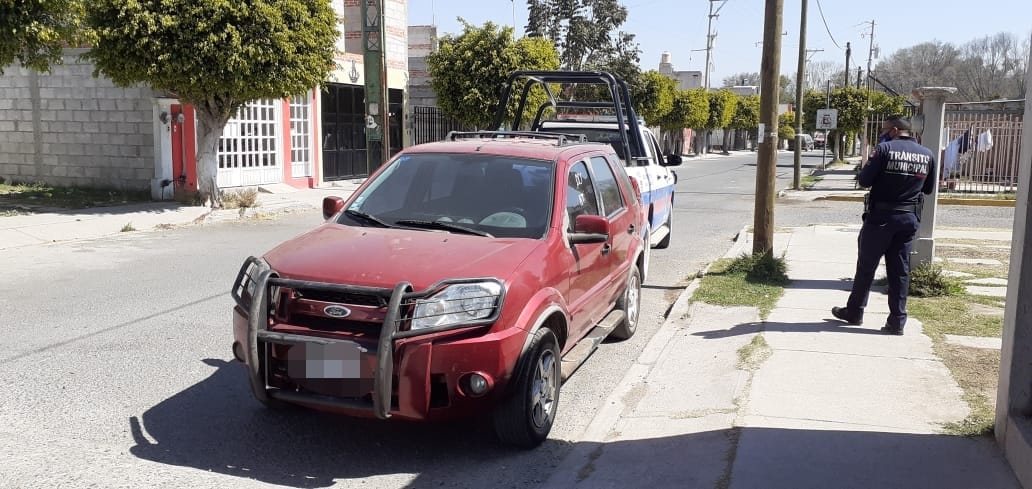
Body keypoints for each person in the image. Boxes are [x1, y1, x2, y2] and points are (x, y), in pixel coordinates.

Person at [831, 116, 936, 335]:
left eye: (885, 129)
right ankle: (897, 321)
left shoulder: (884, 149)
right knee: (900, 271)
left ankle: (855, 312)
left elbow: (864, 180)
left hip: (881, 217)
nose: (882, 133)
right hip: (908, 219)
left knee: (866, 267)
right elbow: (927, 189)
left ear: (896, 130)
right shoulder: (928, 154)